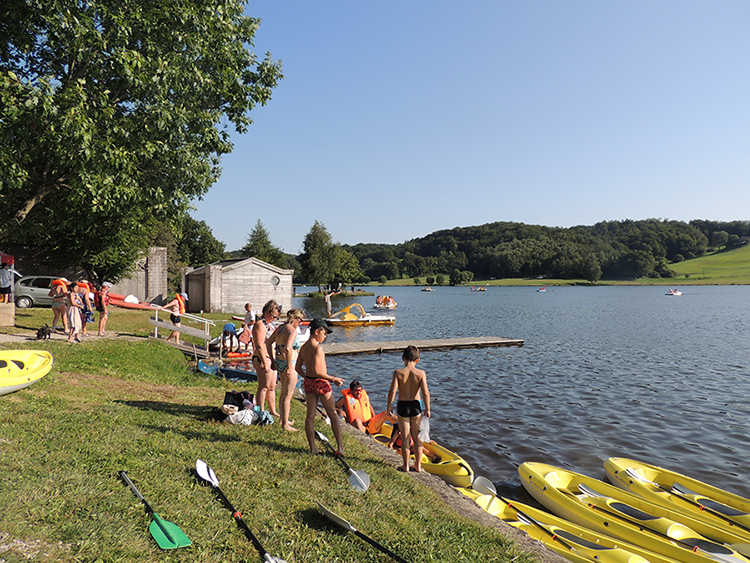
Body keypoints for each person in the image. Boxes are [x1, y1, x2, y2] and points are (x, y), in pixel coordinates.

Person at [296, 318, 345, 456]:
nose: (326, 336)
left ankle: (313, 448)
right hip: (321, 383)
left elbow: (297, 367)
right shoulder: (318, 348)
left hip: (309, 383)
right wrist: (333, 379)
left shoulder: (304, 347)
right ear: (317, 331)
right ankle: (340, 448)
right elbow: (318, 371)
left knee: (310, 416)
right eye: (324, 333)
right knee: (333, 414)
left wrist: (306, 376)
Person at [386, 345, 431, 473]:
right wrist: (428, 408)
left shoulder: (398, 373)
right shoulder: (421, 373)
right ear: (418, 360)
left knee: (405, 437)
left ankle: (405, 466)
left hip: (403, 406)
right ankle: (417, 466)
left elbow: (392, 391)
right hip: (416, 405)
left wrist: (389, 406)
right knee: (416, 437)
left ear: (403, 358)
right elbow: (426, 392)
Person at [273, 307, 305, 431]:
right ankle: (285, 425)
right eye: (300, 320)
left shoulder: (280, 328)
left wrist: (274, 359)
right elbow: (288, 348)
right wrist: (289, 367)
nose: (300, 323)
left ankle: (283, 419)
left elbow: (269, 342)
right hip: (289, 363)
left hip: (280, 362)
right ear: (294, 318)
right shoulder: (292, 331)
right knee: (288, 395)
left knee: (283, 394)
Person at [252, 300, 281, 417]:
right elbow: (259, 345)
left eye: (276, 317)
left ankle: (273, 410)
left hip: (271, 358)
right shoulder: (260, 324)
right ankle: (261, 410)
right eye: (274, 316)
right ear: (268, 312)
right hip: (262, 358)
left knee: (272, 386)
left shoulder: (269, 325)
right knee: (264, 386)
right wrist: (264, 361)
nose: (274, 319)